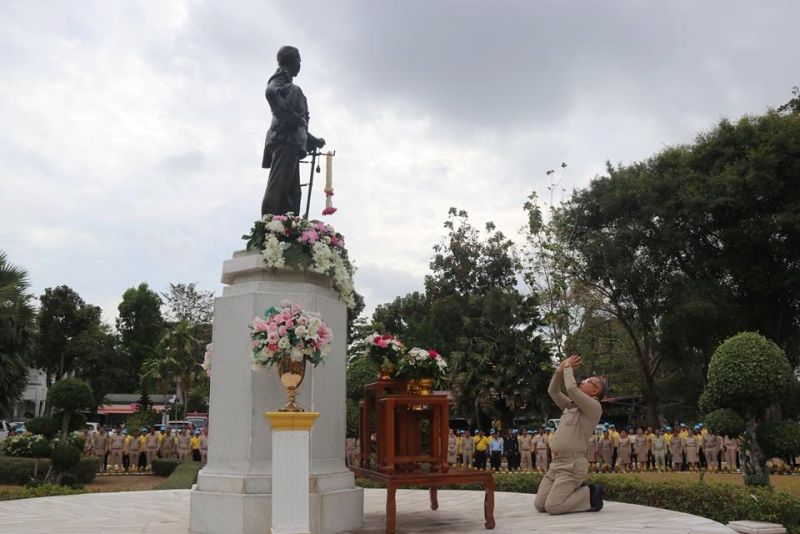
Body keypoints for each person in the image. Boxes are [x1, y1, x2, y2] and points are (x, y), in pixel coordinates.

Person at [534, 355, 605, 515]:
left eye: (587, 381)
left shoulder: (594, 407)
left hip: (572, 466)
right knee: (540, 505)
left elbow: (572, 389)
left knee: (553, 507)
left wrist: (568, 367)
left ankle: (590, 493)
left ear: (595, 390)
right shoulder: (571, 406)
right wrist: (559, 371)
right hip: (556, 463)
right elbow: (553, 391)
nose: (582, 382)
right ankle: (575, 493)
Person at [261, 45, 326, 217]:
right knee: (279, 185)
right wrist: (287, 114)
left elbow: (299, 123)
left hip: (290, 141)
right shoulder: (282, 80)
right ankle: (269, 229)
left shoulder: (288, 83)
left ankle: (289, 229)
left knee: (293, 192)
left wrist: (311, 140)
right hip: (283, 139)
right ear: (291, 60)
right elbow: (271, 92)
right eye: (299, 59)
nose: (300, 64)